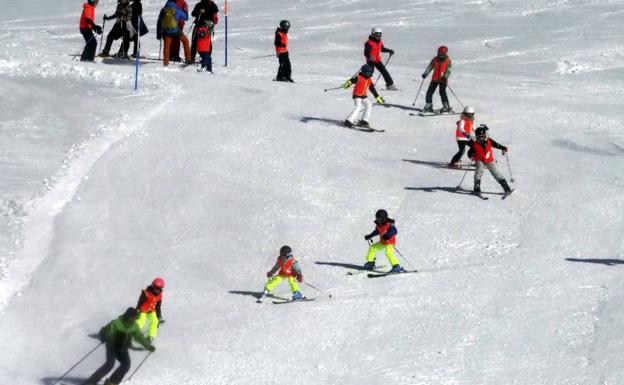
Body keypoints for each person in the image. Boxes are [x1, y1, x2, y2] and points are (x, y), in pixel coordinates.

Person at [82, 308, 155, 385]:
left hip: (122, 349)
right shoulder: (117, 323)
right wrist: (104, 335)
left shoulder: (134, 326)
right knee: (110, 364)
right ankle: (91, 381)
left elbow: (140, 337)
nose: (134, 319)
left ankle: (112, 382)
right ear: (127, 316)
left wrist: (148, 346)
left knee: (126, 365)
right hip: (112, 346)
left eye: (135, 317)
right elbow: (106, 329)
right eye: (132, 317)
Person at [467, 125, 513, 197]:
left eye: (483, 136)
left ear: (485, 135)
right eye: (479, 137)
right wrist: (472, 156)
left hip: (489, 160)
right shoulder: (474, 144)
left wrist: (503, 148)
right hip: (479, 160)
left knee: (495, 172)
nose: (481, 138)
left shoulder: (489, 140)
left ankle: (506, 188)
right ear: (477, 137)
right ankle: (477, 188)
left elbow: (496, 145)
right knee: (479, 172)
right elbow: (469, 153)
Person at [342, 63, 384, 128]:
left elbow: (372, 89)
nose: (369, 74)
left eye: (370, 73)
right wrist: (348, 83)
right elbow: (352, 80)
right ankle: (348, 121)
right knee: (358, 107)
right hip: (357, 95)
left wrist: (377, 97)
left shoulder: (369, 79)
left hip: (363, 96)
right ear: (363, 72)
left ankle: (364, 121)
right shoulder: (359, 77)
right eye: (368, 73)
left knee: (369, 106)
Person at [157, 0, 192, 66]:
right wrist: (185, 11)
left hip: (166, 31)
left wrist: (159, 34)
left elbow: (159, 23)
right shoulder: (176, 9)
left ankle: (166, 64)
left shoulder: (163, 10)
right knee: (185, 41)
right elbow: (185, 18)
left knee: (166, 47)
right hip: (175, 30)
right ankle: (188, 59)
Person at [421, 46, 452, 113]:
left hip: (443, 79)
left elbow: (449, 70)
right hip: (435, 78)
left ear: (445, 54)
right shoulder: (435, 59)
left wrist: (445, 76)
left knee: (442, 92)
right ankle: (428, 104)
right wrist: (425, 74)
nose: (440, 55)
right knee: (429, 92)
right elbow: (430, 67)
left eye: (442, 54)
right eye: (439, 53)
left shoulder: (448, 61)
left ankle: (446, 106)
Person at [136, 278, 165, 342]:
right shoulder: (146, 293)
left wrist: (159, 317)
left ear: (161, 289)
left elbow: (158, 307)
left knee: (155, 321)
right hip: (142, 310)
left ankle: (150, 337)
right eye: (154, 287)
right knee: (141, 321)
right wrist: (137, 311)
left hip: (151, 311)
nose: (155, 289)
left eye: (158, 288)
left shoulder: (159, 296)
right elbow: (140, 302)